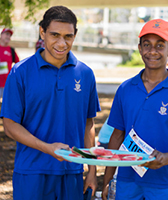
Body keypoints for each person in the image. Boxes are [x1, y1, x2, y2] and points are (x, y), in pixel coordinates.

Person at [1, 6, 100, 200]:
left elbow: (88, 124)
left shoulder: (85, 74)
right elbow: (10, 126)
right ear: (42, 32)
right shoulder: (20, 72)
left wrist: (92, 170)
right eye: (55, 35)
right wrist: (48, 148)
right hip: (31, 172)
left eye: (68, 36)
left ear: (75, 35)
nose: (61, 43)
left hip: (72, 172)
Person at [102, 19, 168, 200]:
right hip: (127, 180)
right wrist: (108, 179)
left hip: (163, 184)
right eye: (147, 45)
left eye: (159, 45)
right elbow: (116, 136)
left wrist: (165, 158)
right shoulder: (125, 89)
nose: (152, 51)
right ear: (139, 48)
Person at [0, 28, 19, 100]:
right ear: (1, 35)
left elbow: (18, 65)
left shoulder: (11, 50)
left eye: (10, 35)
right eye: (6, 34)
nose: (8, 37)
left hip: (7, 84)